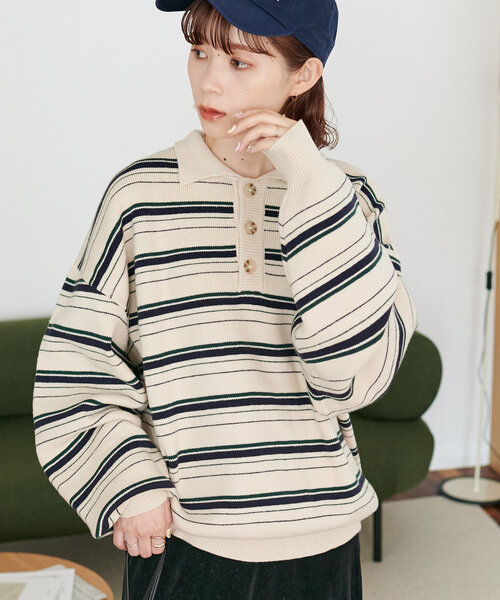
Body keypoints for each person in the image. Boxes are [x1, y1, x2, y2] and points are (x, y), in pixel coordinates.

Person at [32, 0, 418, 598]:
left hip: (323, 537)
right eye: (199, 52)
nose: (208, 81)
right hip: (187, 539)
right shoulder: (139, 196)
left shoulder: (347, 197)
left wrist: (309, 179)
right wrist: (128, 482)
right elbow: (76, 362)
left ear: (304, 74)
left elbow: (353, 379)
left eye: (239, 61)